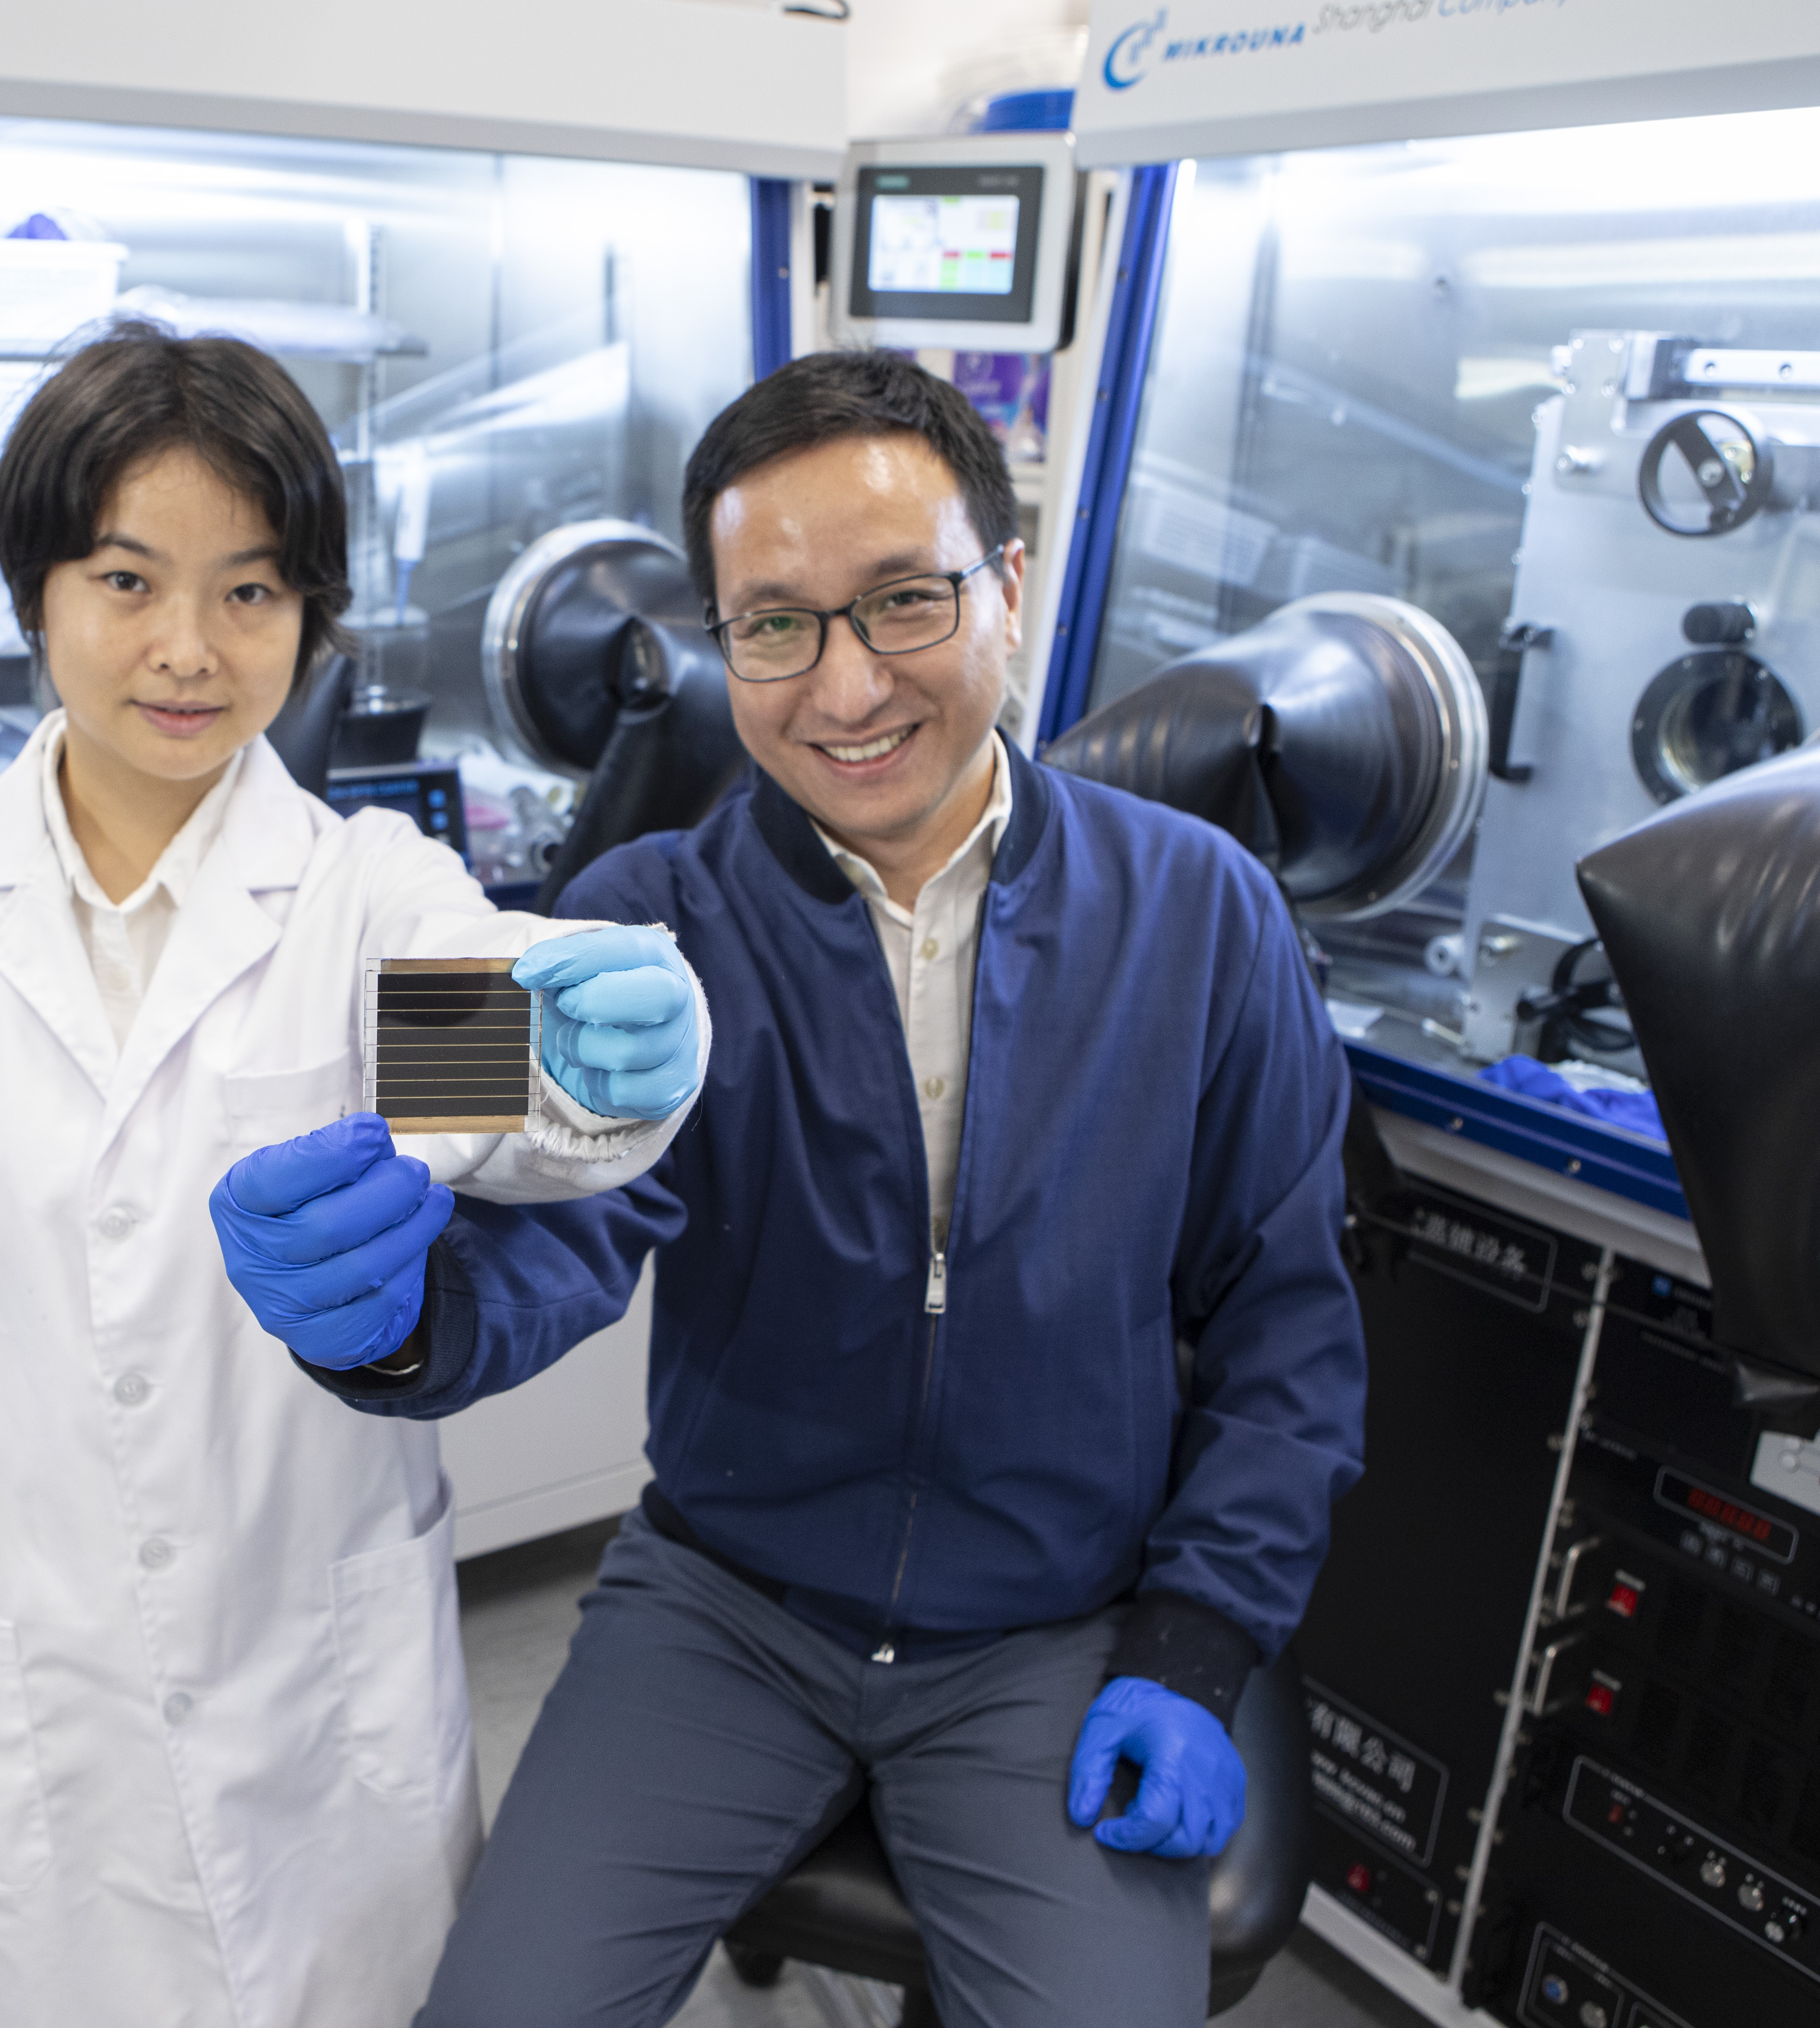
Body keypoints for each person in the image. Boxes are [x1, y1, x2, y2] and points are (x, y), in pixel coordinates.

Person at [216, 349, 1366, 2026]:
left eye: (903, 601)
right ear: (720, 641)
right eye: (774, 624)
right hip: (721, 1608)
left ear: (1011, 590)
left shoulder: (1207, 911)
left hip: (1052, 1630)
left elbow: (1288, 1329)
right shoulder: (616, 914)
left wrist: (1199, 1639)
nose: (843, 690)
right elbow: (501, 1221)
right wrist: (386, 1316)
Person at [0, 323, 709, 2028]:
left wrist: (609, 1067)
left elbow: (509, 1103)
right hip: (5, 1694)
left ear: (308, 616)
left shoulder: (357, 897)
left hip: (304, 1705)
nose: (187, 649)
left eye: (250, 592)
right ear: (39, 596)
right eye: (127, 580)